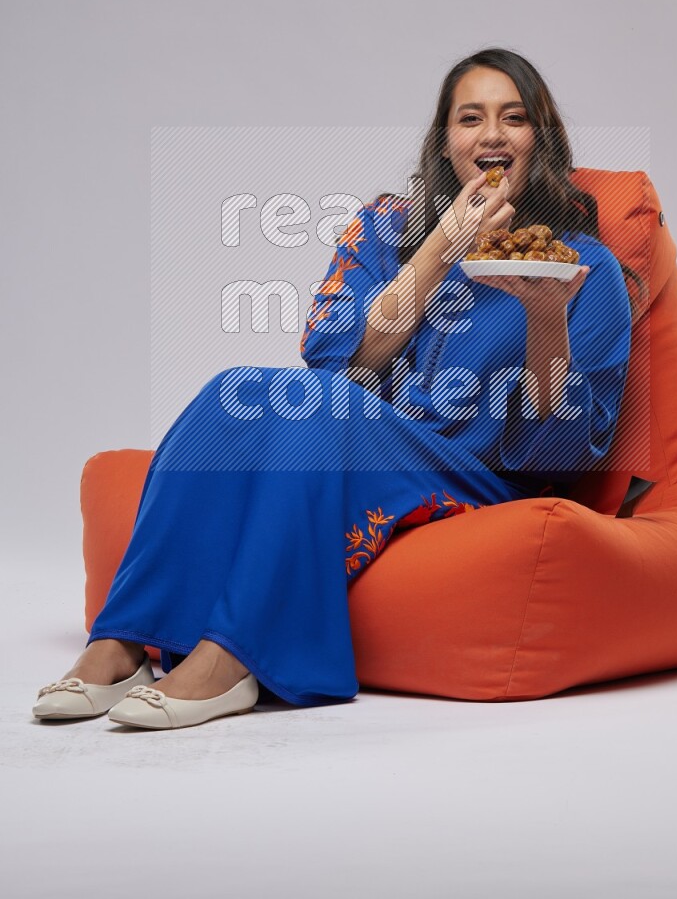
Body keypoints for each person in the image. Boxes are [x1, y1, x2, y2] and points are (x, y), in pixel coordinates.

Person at [32, 47, 635, 730]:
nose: (491, 134)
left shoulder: (582, 265)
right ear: (447, 141)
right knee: (235, 387)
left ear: (541, 139)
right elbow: (335, 356)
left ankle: (238, 655)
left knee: (330, 406)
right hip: (364, 440)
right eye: (471, 118)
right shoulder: (388, 228)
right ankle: (122, 640)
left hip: (481, 477)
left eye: (514, 118)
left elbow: (558, 452)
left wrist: (545, 316)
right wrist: (441, 246)